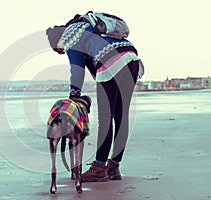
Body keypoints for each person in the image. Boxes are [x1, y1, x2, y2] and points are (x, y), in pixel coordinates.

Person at [46, 12, 144, 182]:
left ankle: (99, 168)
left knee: (105, 118)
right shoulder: (87, 26)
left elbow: (77, 70)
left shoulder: (69, 35)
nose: (63, 51)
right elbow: (93, 64)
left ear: (58, 40)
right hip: (131, 58)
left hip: (112, 60)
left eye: (60, 50)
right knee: (121, 117)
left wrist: (73, 95)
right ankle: (114, 167)